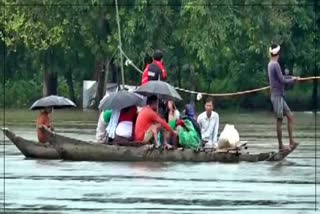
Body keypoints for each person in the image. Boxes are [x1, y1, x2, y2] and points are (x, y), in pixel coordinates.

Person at [267, 44, 299, 153]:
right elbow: (282, 80)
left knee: (290, 116)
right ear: (278, 54)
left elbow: (282, 77)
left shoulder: (271, 64)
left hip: (279, 96)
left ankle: (291, 141)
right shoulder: (274, 64)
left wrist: (292, 77)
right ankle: (281, 145)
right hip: (276, 96)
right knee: (279, 120)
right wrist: (292, 80)